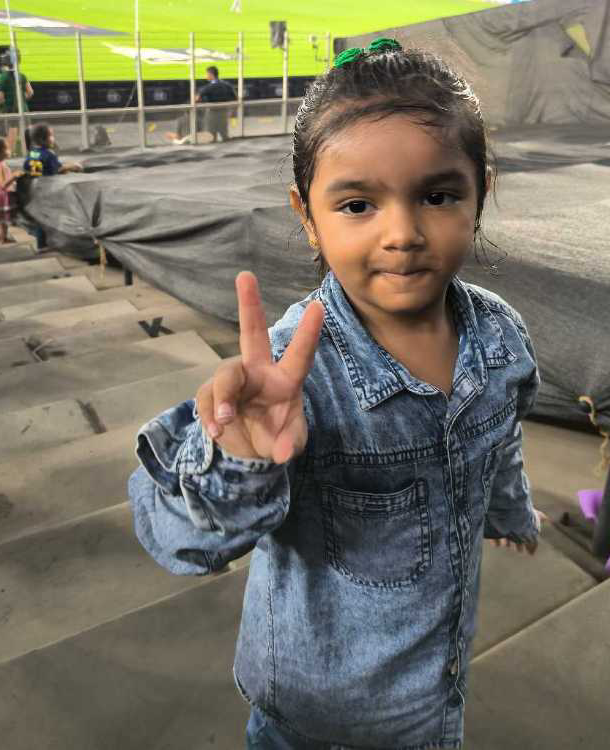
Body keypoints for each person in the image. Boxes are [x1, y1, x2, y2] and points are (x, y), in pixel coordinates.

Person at [128, 39, 546, 750]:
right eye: (357, 205)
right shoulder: (288, 379)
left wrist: (506, 508)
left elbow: (500, 431)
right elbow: (175, 539)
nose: (402, 234)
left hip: (435, 702)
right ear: (307, 215)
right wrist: (240, 457)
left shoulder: (500, 336)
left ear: (480, 192)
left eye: (438, 196)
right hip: (311, 724)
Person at [22, 122, 82, 249]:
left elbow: (26, 167)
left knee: (39, 216)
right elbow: (58, 169)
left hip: (35, 188)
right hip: (47, 190)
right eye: (51, 135)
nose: (53, 138)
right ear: (43, 139)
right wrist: (73, 166)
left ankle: (41, 243)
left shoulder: (32, 152)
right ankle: (45, 244)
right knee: (47, 217)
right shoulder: (49, 154)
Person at [0, 63, 34, 155]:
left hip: (11, 109)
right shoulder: (22, 75)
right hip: (24, 108)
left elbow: (0, 98)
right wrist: (22, 99)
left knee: (12, 132)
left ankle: (10, 154)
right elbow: (30, 92)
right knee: (28, 130)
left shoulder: (3, 77)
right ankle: (32, 153)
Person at [196, 65, 237, 142]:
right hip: (224, 112)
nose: (206, 76)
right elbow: (235, 97)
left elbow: (197, 99)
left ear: (211, 74)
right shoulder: (227, 85)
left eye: (206, 74)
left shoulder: (208, 87)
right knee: (224, 135)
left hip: (212, 113)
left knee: (211, 136)